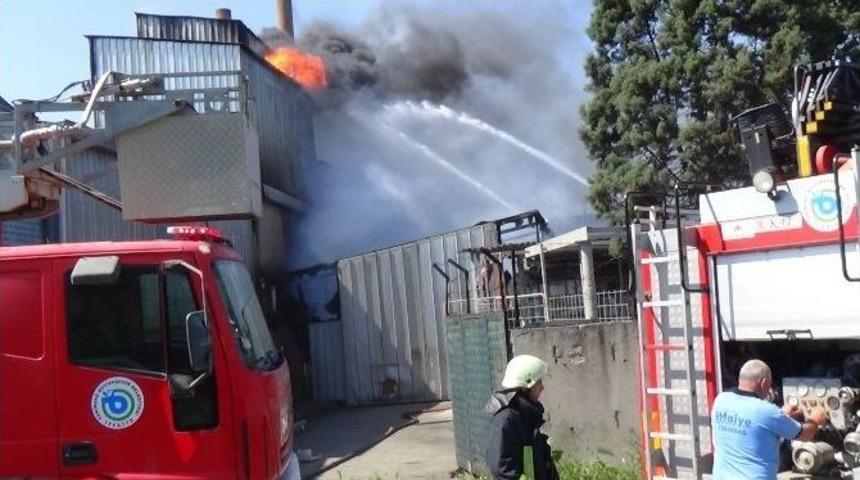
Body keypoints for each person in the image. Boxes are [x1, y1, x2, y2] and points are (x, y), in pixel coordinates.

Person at [711, 359, 828, 480]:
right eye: (770, 384)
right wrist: (815, 419)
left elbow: (755, 424)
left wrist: (782, 416)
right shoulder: (768, 412)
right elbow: (805, 435)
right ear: (764, 382)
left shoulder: (720, 400)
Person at [485, 355, 559, 480]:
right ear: (526, 386)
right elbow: (501, 468)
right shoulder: (507, 420)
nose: (542, 387)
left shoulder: (525, 416)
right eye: (539, 382)